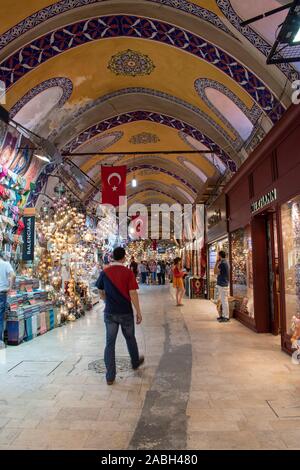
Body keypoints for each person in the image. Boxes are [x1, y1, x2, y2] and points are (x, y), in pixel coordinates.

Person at [96, 247, 144, 385]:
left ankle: (110, 376)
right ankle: (135, 362)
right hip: (125, 313)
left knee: (110, 343)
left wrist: (105, 300)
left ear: (112, 257)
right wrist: (138, 311)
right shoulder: (128, 272)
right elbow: (133, 293)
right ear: (123, 258)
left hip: (110, 313)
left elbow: (99, 289)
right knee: (130, 338)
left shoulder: (105, 272)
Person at [0, 252, 16, 349]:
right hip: (2, 293)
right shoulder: (5, 264)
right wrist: (10, 287)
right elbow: (13, 275)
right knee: (0, 318)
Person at [214, 250, 230, 323]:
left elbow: (215, 272)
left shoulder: (222, 263)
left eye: (218, 255)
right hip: (224, 283)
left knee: (224, 301)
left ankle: (226, 316)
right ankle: (223, 315)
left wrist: (216, 263)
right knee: (223, 301)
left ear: (220, 256)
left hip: (222, 284)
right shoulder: (226, 262)